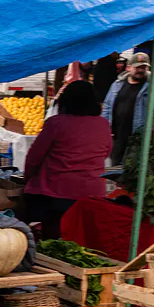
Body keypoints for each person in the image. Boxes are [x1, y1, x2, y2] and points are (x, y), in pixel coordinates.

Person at [22, 81, 112, 240]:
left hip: (55, 194)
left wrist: (28, 179)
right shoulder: (103, 124)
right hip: (92, 194)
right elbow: (106, 152)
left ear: (65, 101)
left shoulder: (56, 123)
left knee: (52, 238)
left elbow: (33, 158)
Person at [103, 52, 154, 167]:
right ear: (129, 67)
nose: (140, 70)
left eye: (143, 67)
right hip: (117, 137)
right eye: (137, 67)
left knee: (133, 169)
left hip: (139, 139)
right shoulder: (117, 84)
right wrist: (105, 129)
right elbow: (108, 106)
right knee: (113, 168)